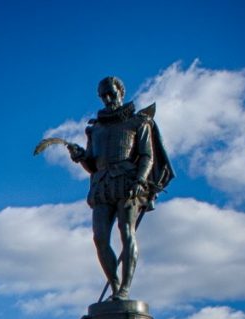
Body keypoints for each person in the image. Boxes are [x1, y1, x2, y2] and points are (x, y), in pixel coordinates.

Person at [67, 76, 173, 301]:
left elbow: (147, 156)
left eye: (110, 94)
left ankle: (124, 289)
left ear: (120, 92)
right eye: (102, 96)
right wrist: (81, 158)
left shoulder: (138, 122)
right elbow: (93, 165)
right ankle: (115, 286)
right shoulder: (94, 129)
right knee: (100, 238)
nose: (107, 99)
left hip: (128, 182)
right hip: (102, 184)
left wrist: (140, 180)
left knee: (126, 232)